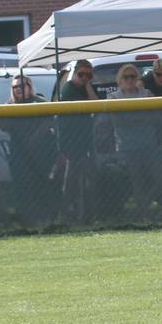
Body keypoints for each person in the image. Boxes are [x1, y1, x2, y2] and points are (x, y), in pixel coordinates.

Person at [105, 64, 158, 219]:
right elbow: (117, 122)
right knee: (137, 180)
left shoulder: (146, 94)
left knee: (159, 176)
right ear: (120, 79)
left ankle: (147, 204)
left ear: (137, 78)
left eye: (132, 76)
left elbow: (153, 117)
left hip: (149, 144)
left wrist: (131, 117)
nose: (129, 80)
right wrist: (141, 117)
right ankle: (144, 215)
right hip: (127, 146)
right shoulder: (114, 97)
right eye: (125, 77)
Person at [6, 75, 58, 224]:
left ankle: (48, 217)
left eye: (22, 86)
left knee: (41, 185)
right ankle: (25, 218)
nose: (18, 89)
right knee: (21, 186)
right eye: (15, 87)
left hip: (41, 153)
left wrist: (35, 137)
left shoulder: (40, 102)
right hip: (18, 154)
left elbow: (50, 122)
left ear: (29, 86)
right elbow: (2, 126)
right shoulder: (9, 105)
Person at [58, 59, 98, 222]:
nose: (84, 78)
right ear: (74, 73)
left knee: (88, 180)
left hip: (86, 141)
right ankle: (66, 215)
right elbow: (85, 106)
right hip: (71, 143)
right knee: (71, 183)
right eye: (81, 74)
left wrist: (88, 85)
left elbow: (95, 104)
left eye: (88, 75)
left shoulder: (85, 88)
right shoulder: (68, 89)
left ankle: (86, 214)